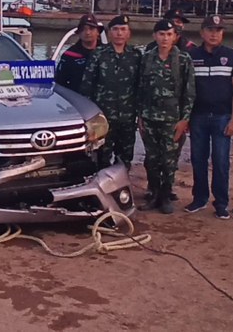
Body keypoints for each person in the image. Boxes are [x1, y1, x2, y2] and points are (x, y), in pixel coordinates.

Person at [184, 15, 233, 219]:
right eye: (210, 30)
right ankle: (199, 198)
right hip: (198, 117)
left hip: (222, 117)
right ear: (202, 32)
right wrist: (186, 118)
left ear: (222, 33)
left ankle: (221, 203)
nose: (214, 34)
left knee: (221, 161)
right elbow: (186, 89)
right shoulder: (191, 56)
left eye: (218, 30)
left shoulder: (232, 56)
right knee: (198, 159)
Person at [138, 20, 196, 214]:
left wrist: (184, 119)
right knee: (152, 159)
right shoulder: (147, 58)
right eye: (161, 34)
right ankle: (154, 194)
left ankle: (166, 195)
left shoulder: (183, 60)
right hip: (149, 117)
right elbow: (141, 89)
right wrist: (140, 116)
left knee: (169, 160)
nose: (165, 38)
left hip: (172, 120)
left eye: (169, 34)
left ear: (175, 37)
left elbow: (189, 93)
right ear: (154, 36)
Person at [80, 15, 141, 170]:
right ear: (108, 33)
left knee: (125, 158)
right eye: (115, 29)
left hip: (127, 118)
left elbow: (141, 86)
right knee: (102, 157)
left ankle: (123, 184)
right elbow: (87, 86)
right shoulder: (99, 54)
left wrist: (139, 114)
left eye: (123, 29)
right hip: (103, 118)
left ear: (129, 33)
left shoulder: (136, 55)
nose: (119, 33)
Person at [55, 13, 102, 91]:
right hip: (76, 97)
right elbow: (59, 84)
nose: (87, 32)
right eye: (83, 29)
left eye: (91, 29)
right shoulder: (69, 55)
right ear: (79, 33)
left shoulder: (107, 53)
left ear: (98, 32)